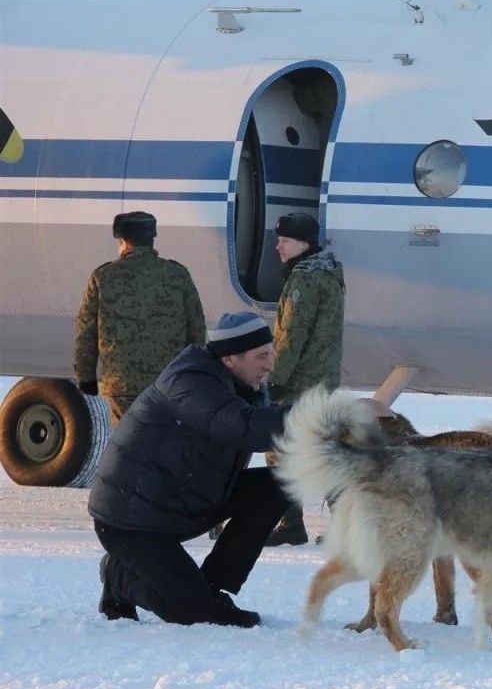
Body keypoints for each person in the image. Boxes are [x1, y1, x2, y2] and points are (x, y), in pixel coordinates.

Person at [88, 312, 292, 628]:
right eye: (261, 356)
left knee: (280, 484)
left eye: (271, 355)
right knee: (190, 612)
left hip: (182, 502)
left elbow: (273, 430)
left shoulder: (246, 390)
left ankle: (212, 589)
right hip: (131, 519)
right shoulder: (189, 382)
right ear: (230, 359)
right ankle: (118, 577)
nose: (269, 365)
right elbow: (246, 428)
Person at [74, 211, 206, 424]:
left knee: (128, 447)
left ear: (123, 241)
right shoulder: (177, 274)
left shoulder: (102, 277)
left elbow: (86, 332)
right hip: (169, 383)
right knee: (165, 444)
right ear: (151, 238)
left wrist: (86, 378)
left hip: (121, 386)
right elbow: (197, 329)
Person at [262, 212, 346, 546]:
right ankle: (338, 525)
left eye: (284, 241)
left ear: (305, 243)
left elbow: (290, 336)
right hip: (321, 377)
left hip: (300, 381)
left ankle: (294, 523)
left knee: (282, 449)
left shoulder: (305, 280)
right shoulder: (328, 273)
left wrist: (275, 379)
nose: (278, 247)